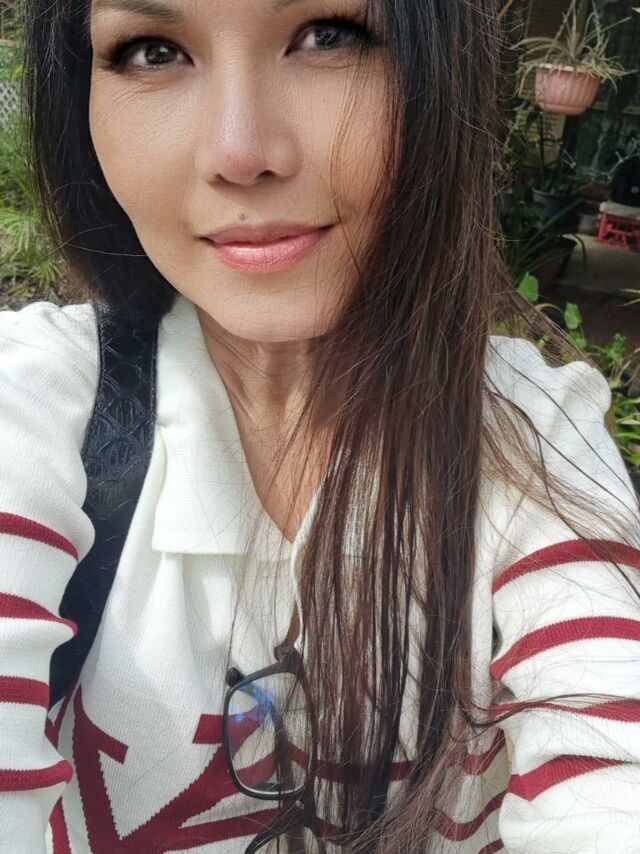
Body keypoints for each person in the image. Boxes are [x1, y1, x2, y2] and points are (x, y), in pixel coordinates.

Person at [1, 0, 639, 851]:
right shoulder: (34, 407)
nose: (240, 153)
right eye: (152, 51)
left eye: (330, 36)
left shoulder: (530, 437)